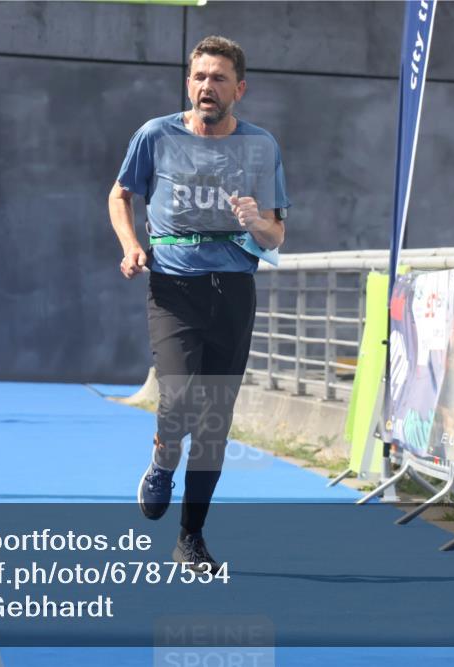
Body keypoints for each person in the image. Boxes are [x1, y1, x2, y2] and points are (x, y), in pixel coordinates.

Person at [108, 36, 289, 571]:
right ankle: (163, 459)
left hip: (233, 291)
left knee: (214, 422)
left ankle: (191, 536)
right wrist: (132, 245)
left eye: (218, 78)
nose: (207, 87)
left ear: (240, 88)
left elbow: (276, 234)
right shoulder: (156, 135)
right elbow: (121, 193)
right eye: (199, 77)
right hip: (174, 289)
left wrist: (256, 220)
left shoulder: (261, 146)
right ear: (189, 82)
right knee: (181, 398)